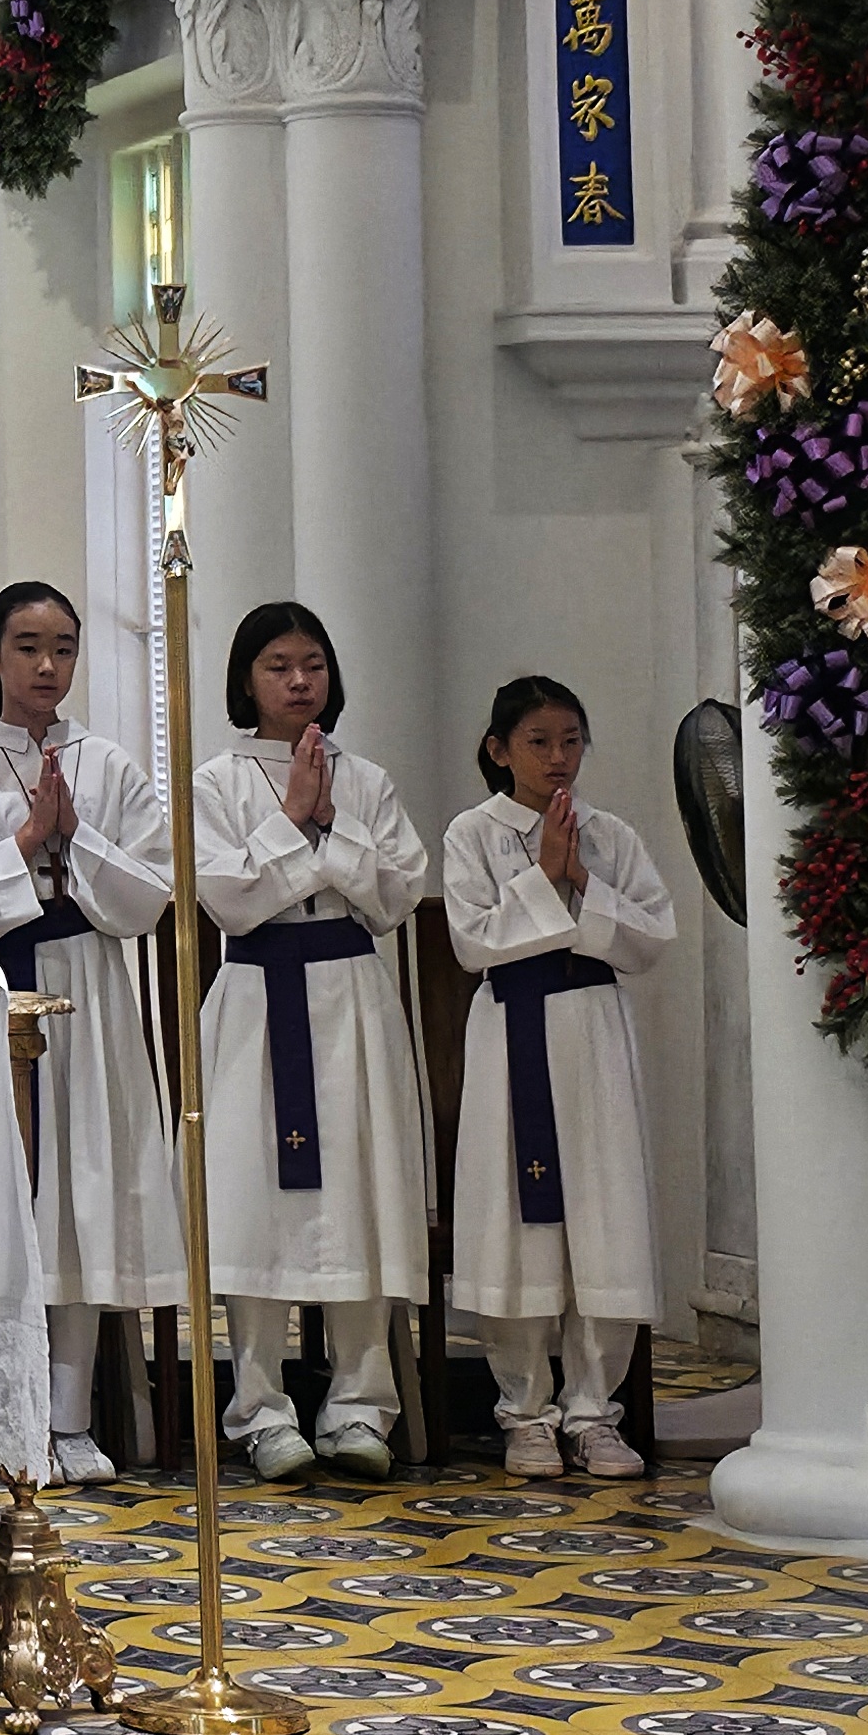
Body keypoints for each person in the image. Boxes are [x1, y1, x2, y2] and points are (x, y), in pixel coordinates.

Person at [0, 578, 179, 1490]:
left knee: (82, 1197)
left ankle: (68, 1421)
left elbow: (149, 898)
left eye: (64, 648)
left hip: (89, 992)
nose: (47, 665)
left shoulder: (108, 765)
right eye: (28, 647)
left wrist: (75, 838)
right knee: (12, 1197)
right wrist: (27, 841)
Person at [190, 601, 432, 1483]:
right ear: (245, 679)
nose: (299, 682)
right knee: (252, 1198)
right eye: (278, 666)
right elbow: (227, 899)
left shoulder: (366, 779)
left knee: (364, 1192)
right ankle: (260, 1410)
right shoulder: (216, 782)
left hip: (352, 1000)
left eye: (314, 665)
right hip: (258, 997)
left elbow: (397, 894)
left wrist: (328, 829)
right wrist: (296, 821)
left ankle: (362, 1405)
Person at [442, 676, 671, 1481]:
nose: (558, 758)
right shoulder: (473, 833)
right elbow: (473, 942)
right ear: (500, 750)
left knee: (605, 1217)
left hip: (594, 1032)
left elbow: (651, 937)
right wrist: (542, 878)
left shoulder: (610, 835)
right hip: (512, 1031)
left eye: (571, 740)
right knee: (518, 1224)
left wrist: (582, 883)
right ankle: (526, 1413)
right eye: (538, 742)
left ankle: (594, 1414)